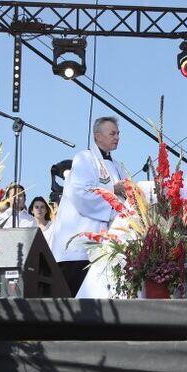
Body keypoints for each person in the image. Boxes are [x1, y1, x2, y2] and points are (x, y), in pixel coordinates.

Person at [49, 116, 131, 294]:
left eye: (118, 133)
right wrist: (113, 189)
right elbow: (81, 194)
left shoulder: (118, 166)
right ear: (97, 136)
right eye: (112, 133)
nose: (117, 137)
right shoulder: (84, 159)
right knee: (72, 300)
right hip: (78, 248)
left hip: (105, 247)